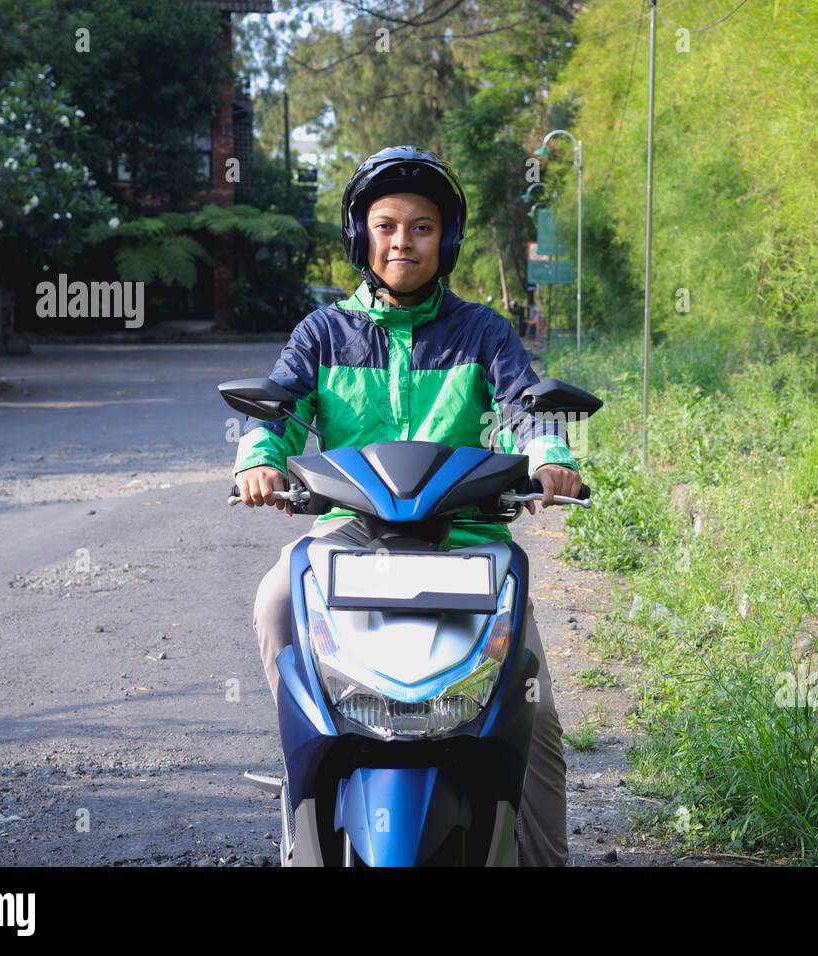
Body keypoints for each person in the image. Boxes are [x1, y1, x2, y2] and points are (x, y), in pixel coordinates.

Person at [233, 146, 581, 867]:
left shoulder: (483, 332)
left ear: (446, 240)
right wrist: (260, 462)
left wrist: (552, 457)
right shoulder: (322, 333)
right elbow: (278, 411)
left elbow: (527, 405)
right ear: (360, 235)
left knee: (534, 714)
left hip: (467, 541)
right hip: (347, 535)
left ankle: (543, 858)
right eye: (386, 225)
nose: (402, 242)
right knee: (274, 602)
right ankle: (314, 756)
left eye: (422, 227)